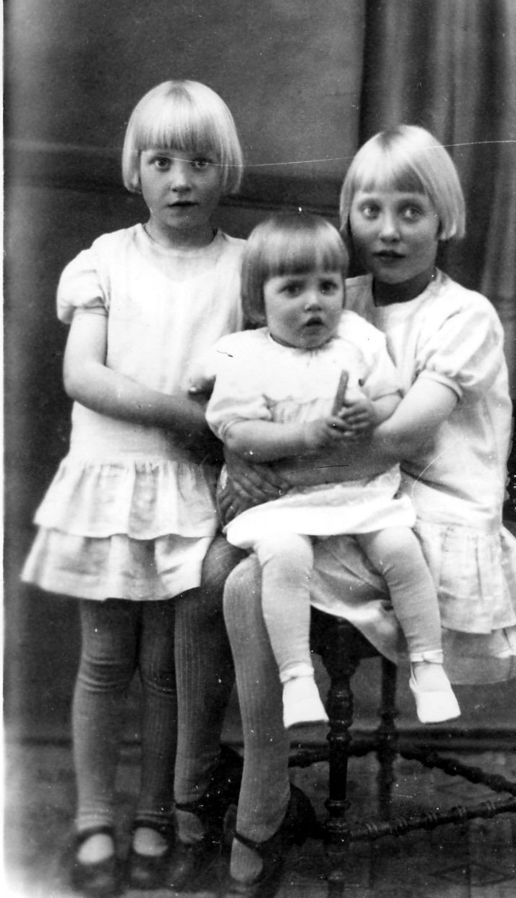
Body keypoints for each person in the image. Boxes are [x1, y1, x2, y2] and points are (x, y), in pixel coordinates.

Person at [218, 125, 516, 898]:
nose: (390, 230)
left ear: (445, 219)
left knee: (244, 583)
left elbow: (400, 438)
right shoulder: (337, 294)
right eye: (371, 210)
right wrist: (242, 457)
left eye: (412, 211)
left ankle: (260, 808)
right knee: (211, 575)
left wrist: (272, 471)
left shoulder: (464, 316)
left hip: (428, 515)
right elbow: (256, 381)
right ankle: (201, 785)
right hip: (345, 499)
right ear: (349, 217)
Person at [21, 79, 247, 897]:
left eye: (199, 162)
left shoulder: (244, 268)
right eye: (161, 162)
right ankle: (93, 818)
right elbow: (82, 375)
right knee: (105, 658)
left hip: (193, 490)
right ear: (136, 170)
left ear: (225, 170)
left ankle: (155, 813)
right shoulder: (106, 261)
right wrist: (182, 415)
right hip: (112, 485)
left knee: (167, 668)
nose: (180, 180)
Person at [199, 212, 460, 732]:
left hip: (355, 490)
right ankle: (296, 679)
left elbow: (390, 397)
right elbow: (238, 432)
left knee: (400, 547)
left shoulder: (357, 339)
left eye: (327, 286)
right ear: (259, 302)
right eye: (292, 289)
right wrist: (304, 436)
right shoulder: (245, 354)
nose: (314, 302)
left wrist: (371, 411)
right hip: (282, 503)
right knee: (286, 555)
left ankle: (429, 667)